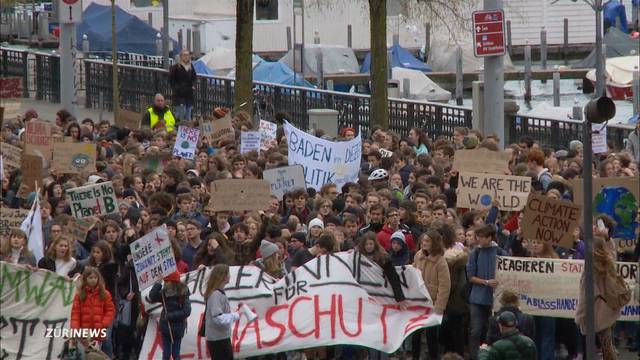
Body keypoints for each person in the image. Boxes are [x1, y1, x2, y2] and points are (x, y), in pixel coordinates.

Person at [575, 236, 627, 359]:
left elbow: (585, 296)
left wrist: (579, 316)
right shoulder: (609, 264)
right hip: (608, 313)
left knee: (589, 351)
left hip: (593, 315)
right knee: (607, 348)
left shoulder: (590, 269)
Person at [466, 224, 508, 359]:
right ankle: (474, 356)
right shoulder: (475, 252)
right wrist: (486, 282)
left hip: (494, 299)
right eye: (478, 237)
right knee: (475, 331)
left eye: (482, 237)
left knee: (493, 331)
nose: (478, 240)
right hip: (477, 298)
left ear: (490, 238)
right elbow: (470, 276)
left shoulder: (501, 252)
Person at [412, 230, 451, 360]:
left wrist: (439, 308)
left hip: (432, 302)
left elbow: (444, 286)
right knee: (415, 334)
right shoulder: (418, 255)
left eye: (427, 241)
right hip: (418, 301)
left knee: (431, 335)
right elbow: (413, 271)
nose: (424, 243)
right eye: (423, 240)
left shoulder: (440, 261)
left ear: (434, 243)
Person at [70, 267, 116, 351]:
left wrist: (103, 324)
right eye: (90, 278)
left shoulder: (105, 294)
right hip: (84, 334)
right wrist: (75, 329)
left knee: (97, 354)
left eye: (95, 278)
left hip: (98, 332)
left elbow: (110, 310)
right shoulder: (79, 295)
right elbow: (75, 314)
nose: (93, 280)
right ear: (85, 279)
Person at [148, 271, 192, 360]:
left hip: (177, 328)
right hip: (166, 327)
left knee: (175, 354)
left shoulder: (183, 293)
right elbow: (152, 297)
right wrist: (158, 283)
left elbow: (187, 311)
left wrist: (171, 316)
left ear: (171, 282)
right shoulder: (164, 293)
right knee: (166, 354)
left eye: (166, 281)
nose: (164, 283)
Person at [203, 264, 240, 360]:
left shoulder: (219, 293)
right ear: (222, 276)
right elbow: (217, 318)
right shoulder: (216, 295)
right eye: (228, 274)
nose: (229, 276)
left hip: (221, 337)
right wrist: (234, 316)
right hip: (218, 339)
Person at [169, 49, 197, 122]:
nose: (186, 57)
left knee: (188, 113)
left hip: (189, 93)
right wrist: (176, 88)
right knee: (181, 113)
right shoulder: (175, 67)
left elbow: (194, 77)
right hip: (179, 94)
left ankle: (187, 130)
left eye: (187, 55)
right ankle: (178, 127)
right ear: (181, 56)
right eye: (184, 55)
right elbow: (171, 80)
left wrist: (193, 85)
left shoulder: (190, 66)